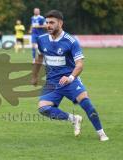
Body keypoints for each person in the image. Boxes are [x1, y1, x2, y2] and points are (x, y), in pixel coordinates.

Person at [31, 10, 109, 141]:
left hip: (70, 80)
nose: (48, 25)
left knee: (86, 103)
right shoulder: (42, 40)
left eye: (52, 23)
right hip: (52, 82)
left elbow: (80, 65)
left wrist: (70, 78)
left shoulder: (71, 41)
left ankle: (101, 133)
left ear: (60, 23)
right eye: (47, 22)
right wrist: (34, 76)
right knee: (43, 108)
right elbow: (39, 58)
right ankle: (74, 119)